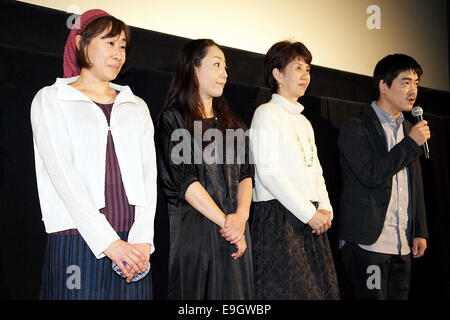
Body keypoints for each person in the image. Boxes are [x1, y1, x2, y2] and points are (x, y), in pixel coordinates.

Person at [30, 9, 157, 299]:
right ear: (80, 44)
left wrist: (142, 241)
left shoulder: (136, 105)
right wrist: (109, 243)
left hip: (133, 246)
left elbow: (149, 177)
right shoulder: (52, 99)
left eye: (122, 45)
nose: (118, 53)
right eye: (109, 43)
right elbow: (64, 177)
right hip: (78, 240)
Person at [156, 39, 254, 299]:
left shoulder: (234, 125)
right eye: (217, 64)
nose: (225, 73)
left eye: (226, 67)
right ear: (194, 69)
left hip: (236, 234)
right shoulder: (174, 120)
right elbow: (185, 182)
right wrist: (227, 224)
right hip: (198, 236)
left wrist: (241, 218)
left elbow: (246, 174)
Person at [250, 40, 339, 299]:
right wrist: (309, 213)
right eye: (298, 68)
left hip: (310, 217)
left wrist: (325, 208)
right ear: (277, 74)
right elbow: (268, 173)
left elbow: (316, 171)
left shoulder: (304, 121)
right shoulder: (265, 113)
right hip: (279, 219)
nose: (305, 75)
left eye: (308, 69)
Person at [338, 54, 429, 300]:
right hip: (369, 244)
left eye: (416, 83)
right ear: (383, 86)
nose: (413, 90)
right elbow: (371, 174)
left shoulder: (410, 129)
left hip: (402, 243)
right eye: (405, 82)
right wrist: (410, 145)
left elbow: (415, 184)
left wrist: (419, 229)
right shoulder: (356, 127)